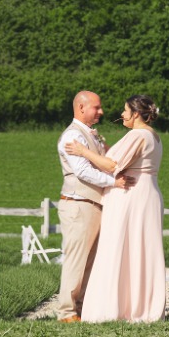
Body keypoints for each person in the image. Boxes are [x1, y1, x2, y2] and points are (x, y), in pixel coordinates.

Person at [65, 94, 166, 323]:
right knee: (141, 250)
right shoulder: (153, 136)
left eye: (125, 111)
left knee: (120, 247)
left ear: (136, 114)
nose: (121, 115)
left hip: (131, 196)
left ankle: (114, 307)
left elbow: (112, 165)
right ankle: (141, 304)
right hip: (148, 193)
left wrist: (83, 151)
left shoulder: (137, 135)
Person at [55, 91, 131, 323]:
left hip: (93, 204)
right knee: (77, 259)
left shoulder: (90, 135)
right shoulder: (71, 137)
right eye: (96, 108)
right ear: (80, 107)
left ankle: (80, 308)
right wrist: (114, 183)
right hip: (79, 204)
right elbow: (83, 171)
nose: (101, 112)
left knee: (90, 260)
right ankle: (66, 312)